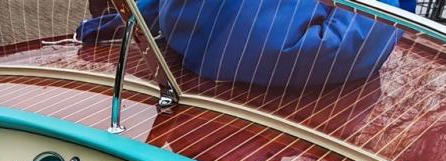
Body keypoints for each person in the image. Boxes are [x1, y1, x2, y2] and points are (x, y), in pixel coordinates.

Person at [77, 0, 417, 88]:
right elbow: (352, 43)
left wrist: (104, 27)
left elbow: (153, 11)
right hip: (290, 100)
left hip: (184, 76)